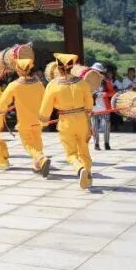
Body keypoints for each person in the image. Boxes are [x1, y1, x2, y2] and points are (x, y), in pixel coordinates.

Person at [40, 53, 94, 190]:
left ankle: (79, 168)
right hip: (82, 120)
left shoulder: (53, 85)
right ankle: (87, 174)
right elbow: (89, 104)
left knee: (71, 153)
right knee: (84, 148)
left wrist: (43, 122)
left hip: (65, 121)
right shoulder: (81, 82)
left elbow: (46, 107)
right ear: (72, 67)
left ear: (58, 68)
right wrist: (87, 114)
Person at [0, 58, 51, 177]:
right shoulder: (38, 84)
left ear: (18, 70)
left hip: (24, 121)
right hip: (38, 120)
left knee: (28, 144)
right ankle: (38, 165)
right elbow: (46, 101)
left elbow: (3, 101)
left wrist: (0, 111)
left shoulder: (14, 85)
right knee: (37, 142)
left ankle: (41, 158)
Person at [90, 64, 111, 151]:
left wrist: (103, 94)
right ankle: (96, 143)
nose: (96, 72)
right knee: (94, 126)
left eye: (98, 71)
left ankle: (106, 143)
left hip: (104, 107)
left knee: (106, 124)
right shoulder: (88, 81)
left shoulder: (106, 81)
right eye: (95, 71)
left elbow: (112, 92)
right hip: (93, 107)